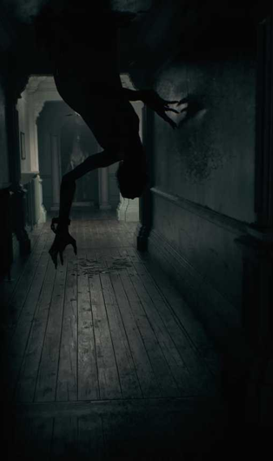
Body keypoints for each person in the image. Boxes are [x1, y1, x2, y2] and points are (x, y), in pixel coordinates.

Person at [34, 3, 181, 267]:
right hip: (85, 83)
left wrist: (64, 224)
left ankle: (70, 28)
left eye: (144, 170)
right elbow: (110, 94)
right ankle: (90, 27)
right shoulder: (126, 146)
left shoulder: (119, 145)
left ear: (140, 168)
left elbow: (102, 94)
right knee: (97, 33)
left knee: (76, 23)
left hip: (76, 84)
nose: (147, 163)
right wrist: (147, 98)